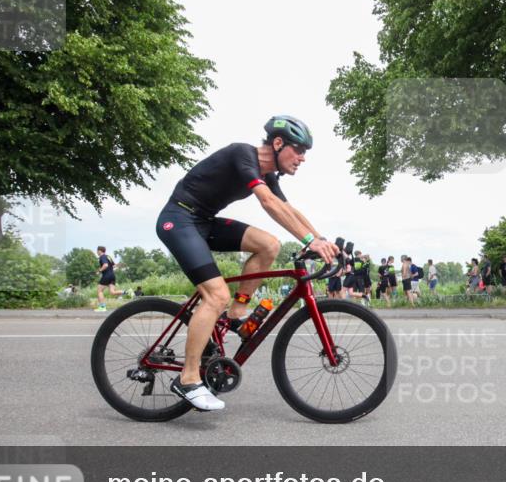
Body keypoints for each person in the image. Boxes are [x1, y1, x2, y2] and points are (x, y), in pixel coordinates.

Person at [155, 115, 338, 411]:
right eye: (299, 150)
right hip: (179, 218)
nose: (303, 159)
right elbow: (267, 203)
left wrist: (321, 240)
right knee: (216, 295)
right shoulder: (243, 154)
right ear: (278, 143)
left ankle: (236, 316)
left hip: (204, 222)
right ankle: (188, 380)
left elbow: (287, 208)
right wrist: (308, 241)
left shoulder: (269, 176)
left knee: (269, 244)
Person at [95, 246, 123, 311]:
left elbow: (105, 265)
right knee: (112, 292)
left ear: (99, 251)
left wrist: (99, 271)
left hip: (106, 276)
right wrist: (119, 265)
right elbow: (114, 265)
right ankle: (126, 292)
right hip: (112, 276)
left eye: (97, 251)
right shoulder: (108, 256)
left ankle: (102, 307)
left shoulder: (102, 257)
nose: (97, 252)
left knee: (99, 291)